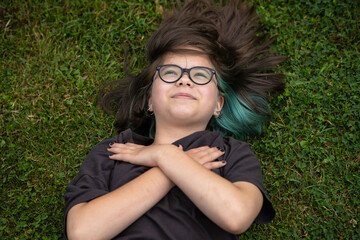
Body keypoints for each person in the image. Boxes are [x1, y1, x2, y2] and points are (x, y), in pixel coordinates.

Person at [64, 0, 285, 239]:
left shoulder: (231, 154)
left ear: (218, 105)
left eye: (200, 75)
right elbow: (82, 232)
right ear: (149, 99)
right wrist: (167, 170)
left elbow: (236, 216)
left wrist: (166, 155)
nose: (184, 80)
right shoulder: (114, 152)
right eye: (170, 72)